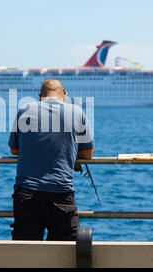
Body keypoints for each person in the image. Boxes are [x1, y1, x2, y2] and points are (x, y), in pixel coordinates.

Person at [8, 79, 95, 241]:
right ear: (65, 95)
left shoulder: (24, 109)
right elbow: (88, 154)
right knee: (64, 250)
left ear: (40, 96)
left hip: (26, 192)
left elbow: (15, 149)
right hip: (60, 191)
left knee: (26, 250)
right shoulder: (77, 112)